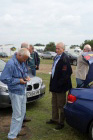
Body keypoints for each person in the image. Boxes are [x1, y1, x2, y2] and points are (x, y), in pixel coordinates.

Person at [0, 48, 30, 140]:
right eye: (24, 59)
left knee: (22, 112)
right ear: (19, 55)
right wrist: (18, 81)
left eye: (26, 59)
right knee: (17, 115)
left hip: (22, 90)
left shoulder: (21, 61)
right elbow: (4, 78)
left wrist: (26, 77)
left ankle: (17, 131)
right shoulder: (11, 64)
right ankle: (12, 136)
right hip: (15, 92)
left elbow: (24, 71)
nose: (25, 61)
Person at [46, 42, 72, 130]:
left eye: (59, 48)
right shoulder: (56, 57)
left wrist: (59, 84)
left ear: (63, 49)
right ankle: (54, 119)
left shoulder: (65, 58)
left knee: (61, 105)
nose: (57, 50)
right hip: (54, 85)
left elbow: (67, 73)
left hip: (60, 87)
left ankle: (61, 123)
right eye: (56, 48)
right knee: (54, 103)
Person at [21, 42, 32, 123]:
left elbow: (24, 71)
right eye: (28, 49)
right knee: (19, 106)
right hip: (19, 86)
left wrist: (26, 76)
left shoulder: (25, 58)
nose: (29, 50)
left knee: (24, 102)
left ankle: (23, 117)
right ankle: (20, 123)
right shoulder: (19, 58)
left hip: (24, 84)